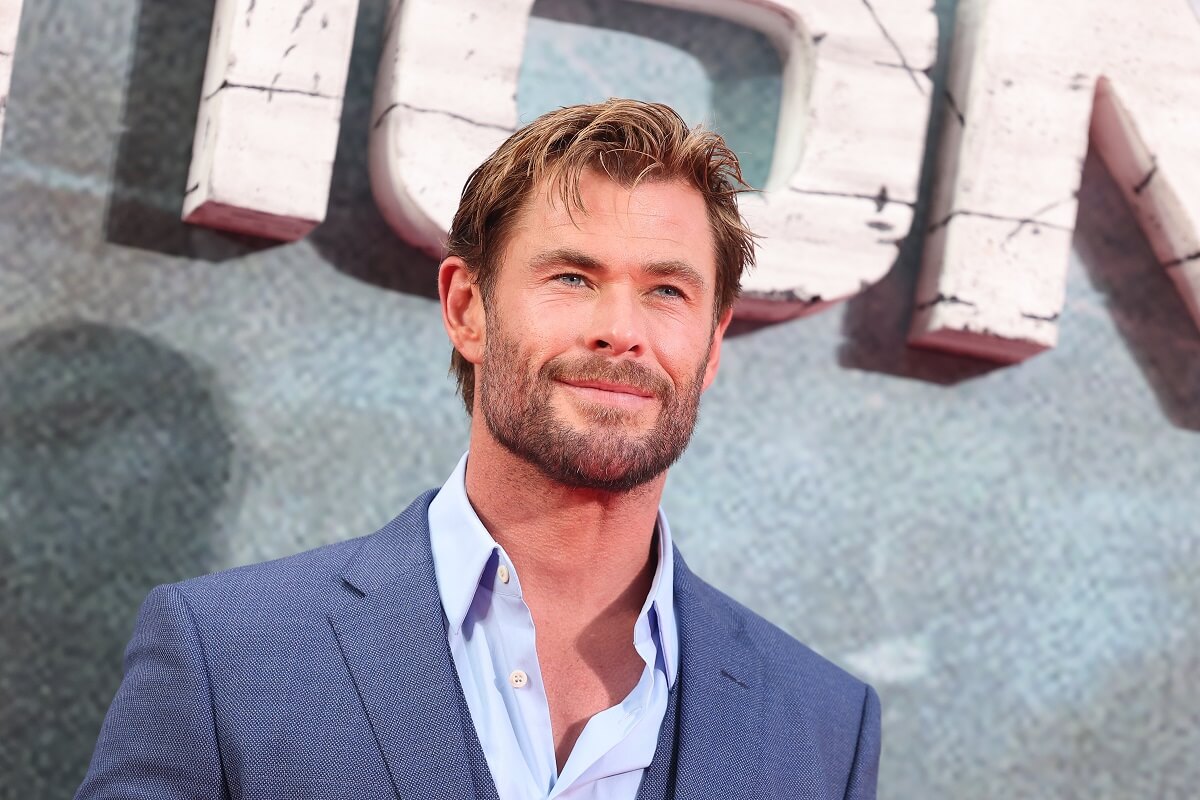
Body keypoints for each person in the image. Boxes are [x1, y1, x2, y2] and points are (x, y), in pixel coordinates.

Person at [76, 99, 880, 800]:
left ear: (711, 346)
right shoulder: (228, 655)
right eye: (572, 278)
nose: (621, 330)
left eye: (667, 290)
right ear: (468, 309)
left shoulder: (825, 729)